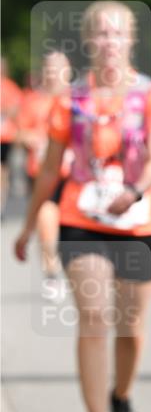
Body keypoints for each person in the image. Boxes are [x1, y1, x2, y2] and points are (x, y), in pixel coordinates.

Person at [15, 1, 151, 412]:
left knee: (130, 325)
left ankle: (121, 395)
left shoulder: (150, 95)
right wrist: (27, 227)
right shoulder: (70, 100)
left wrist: (137, 190)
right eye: (100, 34)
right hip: (80, 220)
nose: (108, 42)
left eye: (117, 34)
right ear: (88, 41)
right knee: (95, 316)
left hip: (141, 220)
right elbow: (48, 171)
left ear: (130, 41)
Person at [17, 51, 73, 298]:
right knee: (45, 221)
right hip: (41, 174)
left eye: (58, 68)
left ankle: (79, 270)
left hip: (74, 177)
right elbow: (18, 133)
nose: (53, 74)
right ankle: (51, 272)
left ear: (68, 71)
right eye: (49, 68)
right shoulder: (33, 101)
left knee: (70, 229)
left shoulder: (78, 100)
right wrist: (37, 140)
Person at [1, 58, 24, 214]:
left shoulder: (10, 87)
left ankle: (1, 205)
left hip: (4, 137)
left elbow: (17, 110)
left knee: (2, 172)